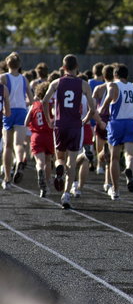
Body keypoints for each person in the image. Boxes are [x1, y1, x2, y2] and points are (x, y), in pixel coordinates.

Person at [42, 54, 95, 209]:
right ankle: (66, 194)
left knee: (59, 157)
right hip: (75, 125)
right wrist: (85, 120)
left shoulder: (57, 82)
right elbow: (92, 108)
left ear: (63, 67)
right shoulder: (84, 84)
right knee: (72, 160)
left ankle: (59, 167)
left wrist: (48, 120)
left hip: (60, 124)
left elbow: (45, 101)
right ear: (77, 67)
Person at [98, 64, 133, 200]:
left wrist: (103, 107)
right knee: (130, 153)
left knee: (114, 158)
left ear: (115, 74)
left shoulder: (113, 85)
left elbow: (110, 96)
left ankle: (116, 190)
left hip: (116, 122)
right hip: (130, 122)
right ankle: (129, 168)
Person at [1, 52, 33, 189]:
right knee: (19, 144)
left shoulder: (3, 78)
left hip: (8, 111)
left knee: (8, 146)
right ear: (19, 65)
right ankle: (19, 161)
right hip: (21, 111)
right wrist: (25, 105)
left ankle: (7, 178)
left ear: (7, 64)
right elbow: (31, 100)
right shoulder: (24, 79)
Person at [25, 82, 54, 198]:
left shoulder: (34, 105)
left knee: (40, 162)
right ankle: (47, 185)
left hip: (37, 136)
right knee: (48, 161)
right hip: (49, 136)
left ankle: (39, 172)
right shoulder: (52, 105)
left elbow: (25, 122)